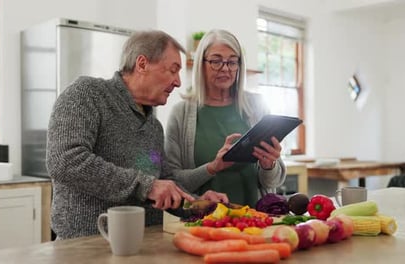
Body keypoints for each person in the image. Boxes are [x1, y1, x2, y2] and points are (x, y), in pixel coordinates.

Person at [46, 30, 228, 240]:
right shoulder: (87, 94)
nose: (178, 82)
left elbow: (164, 181)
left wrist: (198, 204)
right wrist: (147, 186)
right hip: (85, 247)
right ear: (142, 64)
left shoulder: (154, 127)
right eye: (173, 70)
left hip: (145, 247)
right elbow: (65, 161)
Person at [165, 29, 286, 207]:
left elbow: (273, 182)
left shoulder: (257, 106)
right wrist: (212, 168)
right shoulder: (181, 113)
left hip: (255, 219)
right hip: (204, 221)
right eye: (216, 61)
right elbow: (173, 180)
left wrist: (269, 165)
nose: (225, 69)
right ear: (201, 64)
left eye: (232, 62)